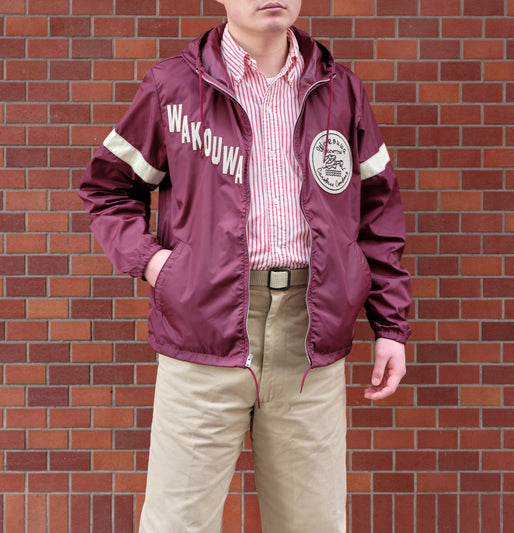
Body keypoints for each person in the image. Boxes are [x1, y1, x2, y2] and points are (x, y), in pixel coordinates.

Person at [79, 0, 412, 531]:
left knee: (314, 525)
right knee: (177, 524)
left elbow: (377, 212)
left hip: (310, 344)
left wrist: (390, 326)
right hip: (203, 336)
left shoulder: (341, 91)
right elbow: (108, 189)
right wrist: (156, 264)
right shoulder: (173, 86)